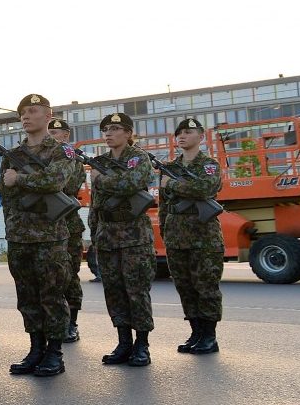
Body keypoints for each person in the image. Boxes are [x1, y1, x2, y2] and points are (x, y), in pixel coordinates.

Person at [0, 94, 76, 378]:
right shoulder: (13, 154)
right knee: (27, 297)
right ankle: (35, 349)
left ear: (48, 115)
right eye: (22, 112)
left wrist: (20, 179)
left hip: (49, 236)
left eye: (32, 111)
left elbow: (57, 180)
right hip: (20, 236)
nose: (26, 116)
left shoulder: (61, 151)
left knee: (52, 296)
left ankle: (54, 353)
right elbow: (7, 196)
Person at [91, 112, 156, 367]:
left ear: (128, 133)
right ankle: (123, 342)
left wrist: (103, 180)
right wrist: (95, 233)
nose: (109, 133)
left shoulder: (138, 158)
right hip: (107, 236)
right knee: (114, 292)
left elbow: (134, 182)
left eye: (116, 128)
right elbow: (96, 205)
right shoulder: (99, 162)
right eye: (106, 129)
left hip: (134, 237)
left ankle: (142, 344)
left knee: (136, 291)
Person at [160, 118, 223, 355]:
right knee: (185, 287)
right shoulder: (170, 167)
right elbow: (164, 204)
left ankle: (209, 336)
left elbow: (206, 188)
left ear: (201, 137)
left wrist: (173, 184)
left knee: (205, 286)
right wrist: (166, 232)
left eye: (188, 132)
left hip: (203, 236)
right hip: (177, 236)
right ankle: (196, 332)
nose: (182, 136)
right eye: (179, 133)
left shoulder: (208, 165)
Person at [49, 119, 88, 341]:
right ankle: (54, 323)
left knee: (70, 275)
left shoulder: (72, 159)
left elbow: (67, 186)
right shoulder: (44, 157)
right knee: (51, 278)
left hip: (69, 224)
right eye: (49, 132)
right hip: (48, 225)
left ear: (65, 136)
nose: (51, 135)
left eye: (55, 132)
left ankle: (72, 322)